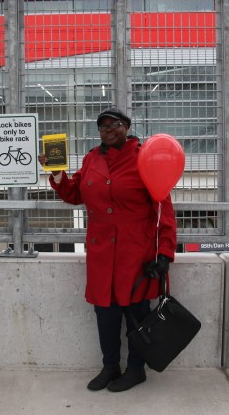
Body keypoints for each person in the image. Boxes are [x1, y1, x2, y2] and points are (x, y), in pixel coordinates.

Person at [38, 107, 177, 392]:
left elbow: (164, 210)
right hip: (101, 251)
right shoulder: (91, 158)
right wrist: (56, 172)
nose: (108, 130)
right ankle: (110, 366)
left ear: (126, 127)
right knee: (106, 314)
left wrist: (164, 254)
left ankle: (136, 370)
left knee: (137, 313)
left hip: (137, 252)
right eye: (102, 126)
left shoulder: (144, 157)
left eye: (114, 124)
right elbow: (75, 193)